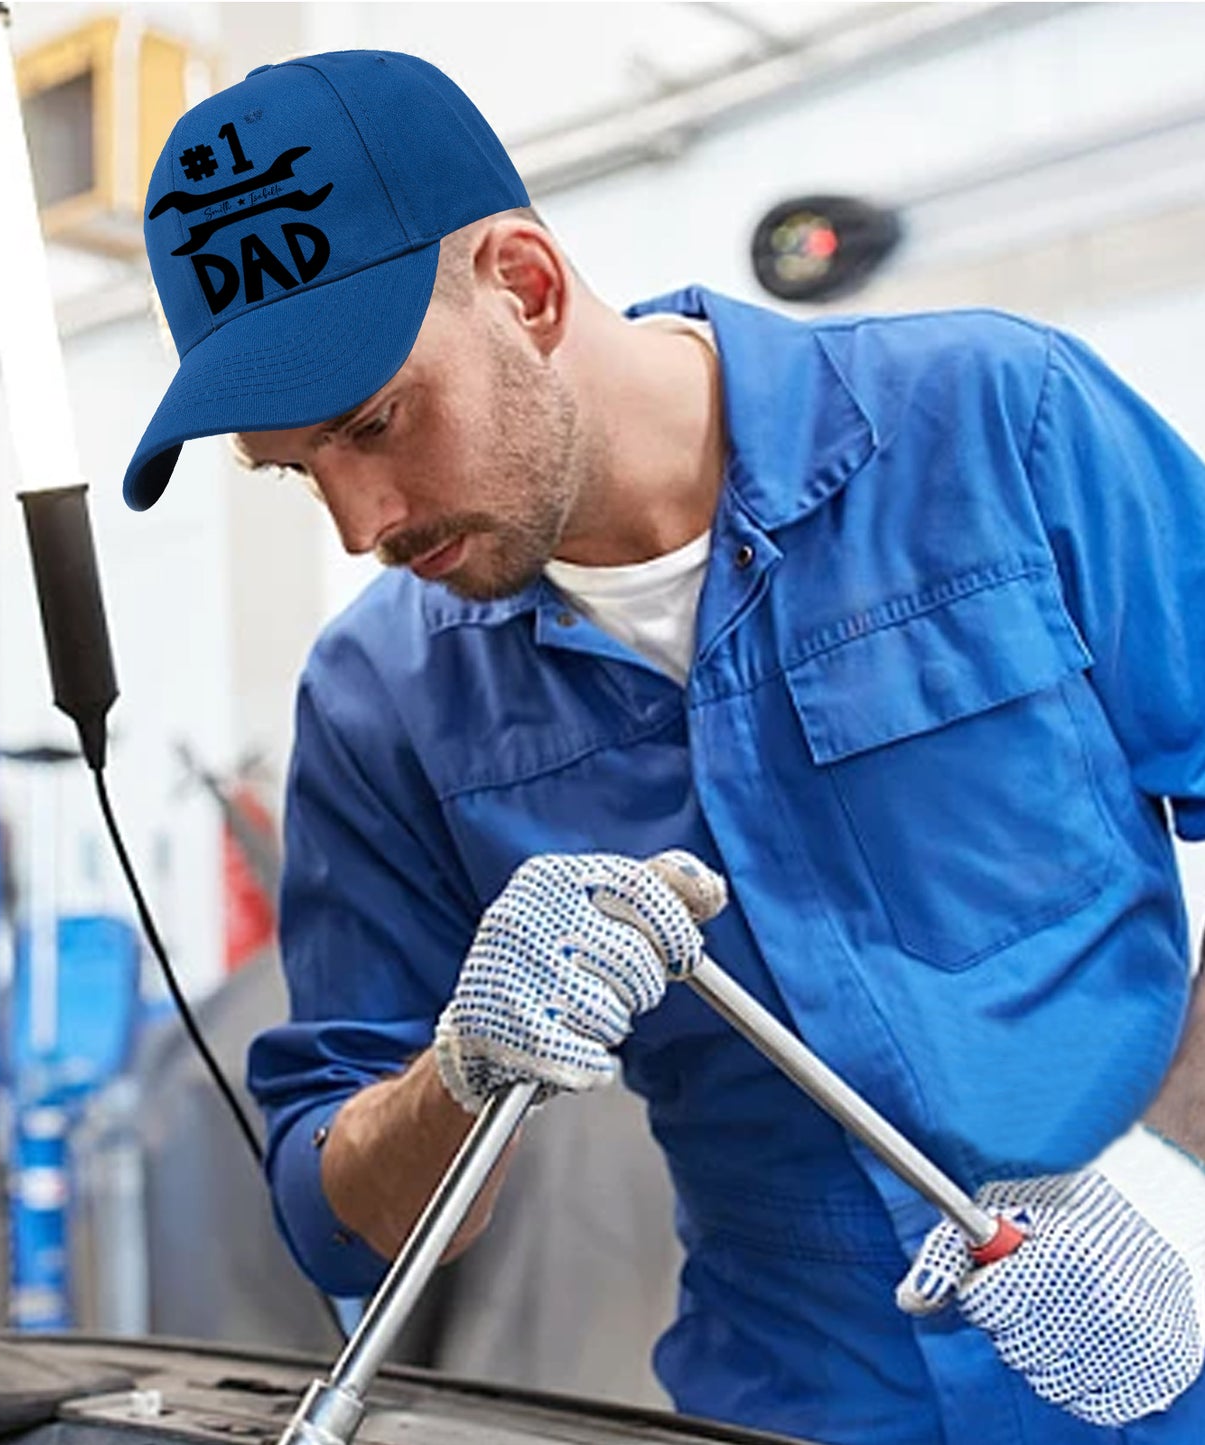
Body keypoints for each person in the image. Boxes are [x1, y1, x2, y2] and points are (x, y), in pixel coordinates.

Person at [122, 50, 1205, 1445]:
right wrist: (458, 1072)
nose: (357, 523)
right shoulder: (377, 696)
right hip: (789, 1404)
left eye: (375, 424)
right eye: (296, 471)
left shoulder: (1001, 423)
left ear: (523, 283)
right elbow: (338, 1219)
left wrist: (1170, 1172)